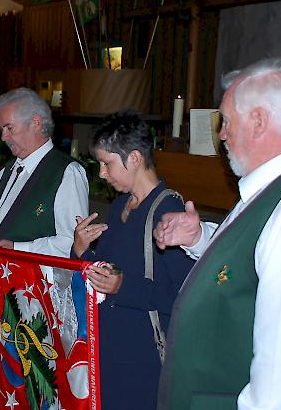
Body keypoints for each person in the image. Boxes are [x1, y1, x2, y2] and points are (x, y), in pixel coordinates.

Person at [154, 58, 281, 409]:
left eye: (225, 121)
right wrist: (200, 239)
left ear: (258, 121)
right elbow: (258, 261)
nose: (221, 134)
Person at [71, 110, 194, 409]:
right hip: (111, 349)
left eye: (107, 163)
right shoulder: (121, 205)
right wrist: (82, 250)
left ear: (135, 158)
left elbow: (183, 299)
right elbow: (106, 275)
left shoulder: (169, 213)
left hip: (143, 359)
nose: (102, 173)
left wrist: (123, 286)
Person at [0, 87, 89, 343]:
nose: (3, 136)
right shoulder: (10, 169)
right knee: (8, 373)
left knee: (37, 376)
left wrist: (16, 248)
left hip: (38, 297)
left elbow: (72, 244)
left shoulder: (66, 173)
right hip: (4, 286)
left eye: (9, 128)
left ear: (36, 123)